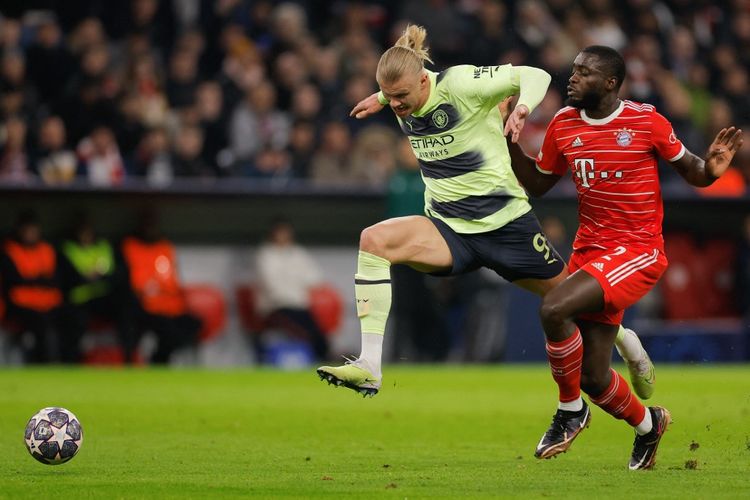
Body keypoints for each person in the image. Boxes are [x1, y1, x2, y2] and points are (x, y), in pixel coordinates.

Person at [316, 26, 654, 403]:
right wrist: (380, 97)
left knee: (570, 302)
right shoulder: (400, 94)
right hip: (449, 228)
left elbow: (535, 75)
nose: (396, 105)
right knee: (373, 240)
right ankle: (370, 366)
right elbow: (395, 88)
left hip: (506, 225)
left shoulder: (461, 84)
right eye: (390, 97)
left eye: (401, 97)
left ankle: (627, 342)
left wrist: (522, 107)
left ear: (424, 82)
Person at [505, 45, 743, 469]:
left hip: (637, 250)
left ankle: (569, 412)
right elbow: (539, 184)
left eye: (584, 72)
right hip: (590, 253)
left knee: (553, 308)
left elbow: (693, 170)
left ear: (611, 83)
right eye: (573, 70)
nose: (572, 78)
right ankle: (650, 425)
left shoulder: (645, 120)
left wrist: (712, 169)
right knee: (595, 379)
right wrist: (509, 144)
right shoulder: (563, 124)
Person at [120, 210, 201, 364]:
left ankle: (159, 358)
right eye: (147, 225)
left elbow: (172, 281)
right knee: (163, 328)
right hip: (147, 307)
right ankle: (154, 361)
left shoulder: (164, 247)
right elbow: (135, 284)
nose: (151, 229)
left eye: (153, 225)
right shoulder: (131, 246)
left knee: (193, 324)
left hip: (171, 306)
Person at [57, 215, 138, 364]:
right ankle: (70, 361)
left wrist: (102, 276)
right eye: (82, 232)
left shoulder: (104, 247)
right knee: (73, 321)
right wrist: (86, 278)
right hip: (79, 300)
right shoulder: (68, 249)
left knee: (127, 307)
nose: (86, 235)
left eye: (88, 231)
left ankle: (129, 358)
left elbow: (119, 274)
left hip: (103, 297)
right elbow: (66, 278)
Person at [254, 218, 329, 362]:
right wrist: (295, 286)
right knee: (303, 331)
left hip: (300, 306)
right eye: (280, 233)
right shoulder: (265, 255)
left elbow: (315, 278)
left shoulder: (298, 253)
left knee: (318, 332)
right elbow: (271, 286)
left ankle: (324, 361)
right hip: (275, 308)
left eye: (286, 233)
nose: (283, 236)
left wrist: (295, 287)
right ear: (272, 234)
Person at [0, 211, 65, 362]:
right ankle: (42, 363)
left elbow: (55, 279)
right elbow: (13, 282)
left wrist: (35, 280)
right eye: (27, 230)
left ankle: (69, 361)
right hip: (21, 305)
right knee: (40, 325)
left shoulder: (47, 249)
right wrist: (38, 280)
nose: (31, 234)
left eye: (33, 230)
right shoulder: (10, 251)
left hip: (49, 303)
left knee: (72, 318)